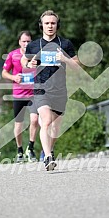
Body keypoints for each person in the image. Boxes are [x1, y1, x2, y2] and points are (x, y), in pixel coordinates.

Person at [24, 10, 80, 171]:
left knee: (55, 128)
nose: (50, 26)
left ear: (57, 25)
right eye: (47, 23)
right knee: (46, 121)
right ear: (41, 25)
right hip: (41, 88)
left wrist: (64, 59)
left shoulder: (66, 44)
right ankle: (48, 158)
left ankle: (48, 149)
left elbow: (77, 67)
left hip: (60, 91)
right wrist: (29, 65)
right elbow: (24, 61)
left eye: (53, 23)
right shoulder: (34, 45)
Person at [2, 30, 39, 163]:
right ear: (19, 42)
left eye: (28, 41)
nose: (26, 43)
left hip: (33, 94)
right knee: (19, 123)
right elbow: (4, 73)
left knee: (34, 120)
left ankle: (31, 147)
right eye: (23, 41)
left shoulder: (36, 55)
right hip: (18, 94)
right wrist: (14, 77)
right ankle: (19, 151)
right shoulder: (13, 55)